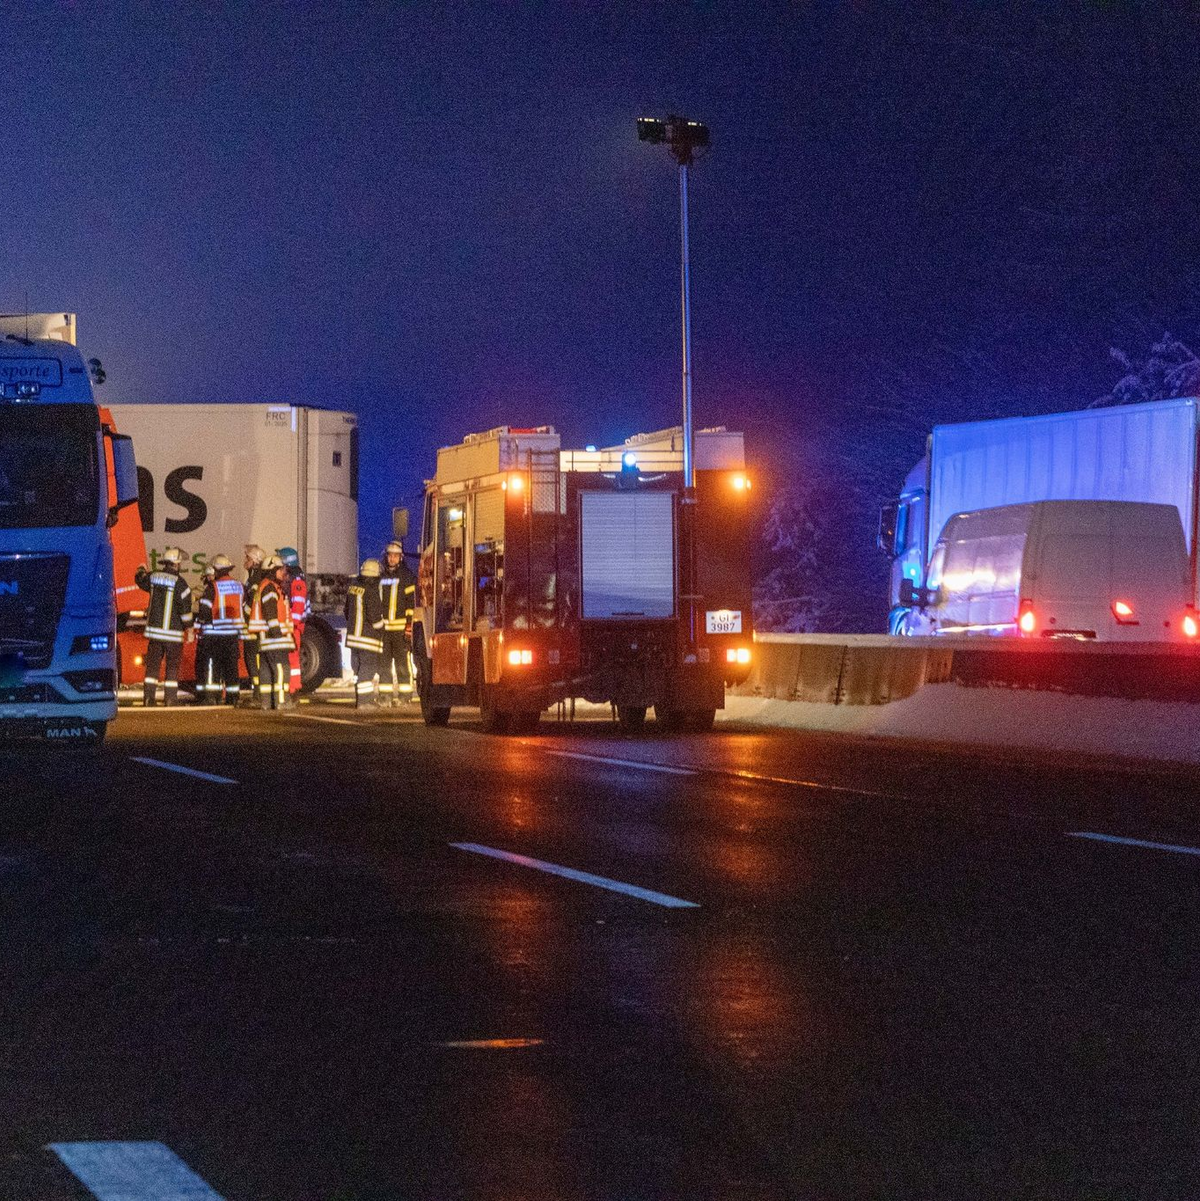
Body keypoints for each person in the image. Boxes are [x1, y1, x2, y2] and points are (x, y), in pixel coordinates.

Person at [135, 546, 194, 707]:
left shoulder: (153, 577)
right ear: (176, 564)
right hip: (173, 635)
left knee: (152, 668)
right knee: (172, 668)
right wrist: (189, 628)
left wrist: (141, 569)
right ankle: (170, 699)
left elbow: (140, 580)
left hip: (154, 634)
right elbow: (186, 611)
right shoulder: (182, 584)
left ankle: (148, 698)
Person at [195, 554, 244, 705]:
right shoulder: (239, 586)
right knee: (231, 668)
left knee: (212, 666)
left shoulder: (213, 587)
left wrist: (199, 624)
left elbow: (204, 610)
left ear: (216, 570)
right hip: (232, 634)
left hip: (214, 635)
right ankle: (233, 697)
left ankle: (212, 696)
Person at [378, 540, 415, 706]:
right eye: (390, 555)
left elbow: (411, 604)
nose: (392, 559)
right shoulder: (381, 576)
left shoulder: (407, 577)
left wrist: (409, 627)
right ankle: (385, 696)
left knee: (401, 664)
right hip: (384, 629)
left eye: (396, 556)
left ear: (401, 558)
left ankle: (405, 696)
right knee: (384, 664)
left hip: (400, 630)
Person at [256, 555, 294, 711]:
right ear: (272, 570)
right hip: (274, 639)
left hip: (266, 639)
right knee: (281, 669)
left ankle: (266, 702)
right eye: (280, 569)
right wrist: (277, 633)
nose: (283, 572)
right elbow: (271, 613)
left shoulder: (265, 586)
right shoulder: (270, 588)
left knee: (265, 670)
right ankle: (281, 701)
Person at [345, 558, 384, 709]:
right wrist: (382, 628)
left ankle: (359, 699)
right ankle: (365, 701)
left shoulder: (353, 588)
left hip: (353, 638)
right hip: (367, 638)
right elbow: (375, 617)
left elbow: (346, 611)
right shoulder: (372, 590)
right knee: (367, 669)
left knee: (357, 670)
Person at [277, 546, 308, 697]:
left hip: (294, 626)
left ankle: (293, 689)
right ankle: (292, 688)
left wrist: (292, 625)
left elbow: (298, 605)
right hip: (291, 625)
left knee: (292, 657)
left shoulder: (296, 581)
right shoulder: (292, 578)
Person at [242, 544, 267, 705]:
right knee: (251, 658)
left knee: (253, 658)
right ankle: (257, 692)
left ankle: (258, 694)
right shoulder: (253, 577)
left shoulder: (256, 578)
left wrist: (243, 613)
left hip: (254, 626)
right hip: (252, 625)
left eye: (248, 558)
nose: (246, 561)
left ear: (255, 561)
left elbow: (253, 603)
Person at [193, 561, 218, 704]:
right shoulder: (216, 589)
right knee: (210, 665)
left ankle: (208, 696)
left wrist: (198, 623)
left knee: (207, 664)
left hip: (208, 634)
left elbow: (204, 612)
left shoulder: (210, 591)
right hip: (216, 633)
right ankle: (208, 695)